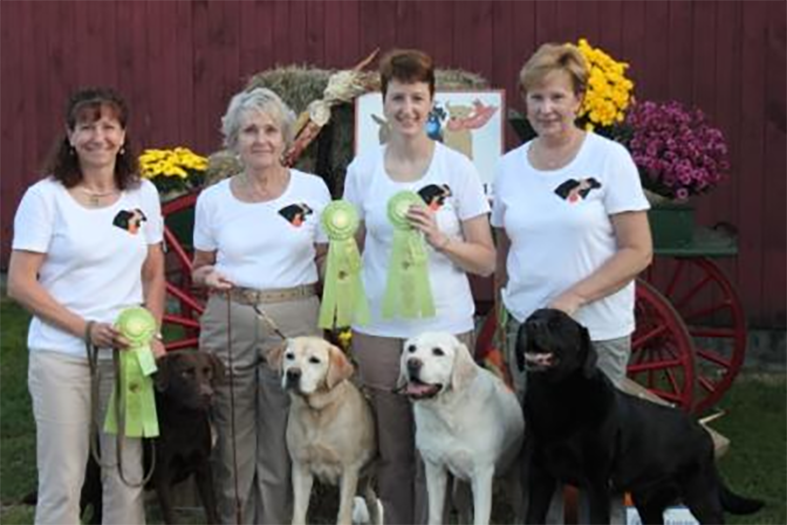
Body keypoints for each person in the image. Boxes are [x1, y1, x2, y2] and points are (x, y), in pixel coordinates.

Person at [491, 42, 653, 523]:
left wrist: (574, 297)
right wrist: (507, 316)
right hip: (531, 341)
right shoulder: (509, 167)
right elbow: (506, 250)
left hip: (594, 338)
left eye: (557, 97)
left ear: (579, 100)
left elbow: (638, 250)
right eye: (537, 98)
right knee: (540, 457)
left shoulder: (610, 160)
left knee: (597, 464)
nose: (546, 109)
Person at [343, 49, 496, 525]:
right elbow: (353, 250)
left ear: (432, 103)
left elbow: (487, 260)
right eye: (397, 98)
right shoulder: (362, 171)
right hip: (381, 332)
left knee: (449, 451)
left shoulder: (457, 170)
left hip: (444, 334)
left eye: (417, 97)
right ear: (382, 105)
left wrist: (440, 238)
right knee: (395, 454)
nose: (407, 109)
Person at [7, 87, 166, 525]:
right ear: (70, 136)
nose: (99, 136)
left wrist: (150, 331)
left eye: (109, 126)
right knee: (63, 479)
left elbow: (153, 271)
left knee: (127, 475)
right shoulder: (45, 198)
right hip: (63, 356)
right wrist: (84, 328)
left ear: (123, 135)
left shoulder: (143, 194)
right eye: (87, 127)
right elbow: (20, 285)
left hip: (127, 358)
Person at [191, 87, 331, 525]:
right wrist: (206, 278)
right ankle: (236, 517)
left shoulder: (313, 189)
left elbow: (329, 257)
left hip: (293, 316)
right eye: (249, 130)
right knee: (232, 431)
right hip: (229, 314)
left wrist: (345, 301)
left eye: (271, 129)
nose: (261, 139)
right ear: (234, 139)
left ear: (286, 138)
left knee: (283, 428)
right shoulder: (213, 199)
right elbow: (198, 269)